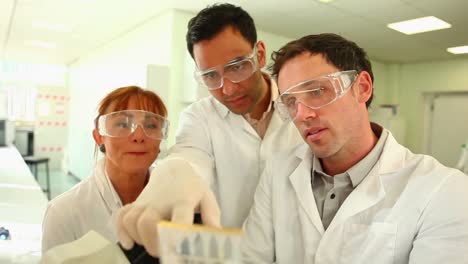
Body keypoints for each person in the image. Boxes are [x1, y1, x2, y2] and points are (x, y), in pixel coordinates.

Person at [241, 33, 468, 263]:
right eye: (291, 102)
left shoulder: (443, 190)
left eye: (317, 91)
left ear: (362, 87)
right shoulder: (278, 171)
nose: (302, 114)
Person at [116, 3, 302, 256]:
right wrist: (175, 170)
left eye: (237, 67)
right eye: (211, 76)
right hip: (226, 255)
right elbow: (189, 156)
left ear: (259, 55)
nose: (227, 89)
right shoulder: (200, 116)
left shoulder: (301, 107)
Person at [41, 86, 169, 252]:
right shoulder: (63, 213)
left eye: (151, 125)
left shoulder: (178, 204)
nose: (139, 136)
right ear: (99, 137)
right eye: (123, 124)